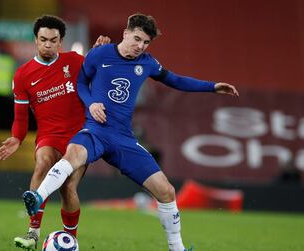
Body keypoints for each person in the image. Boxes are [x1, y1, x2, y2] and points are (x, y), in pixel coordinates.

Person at [22, 13, 239, 251]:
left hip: (123, 138)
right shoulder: (99, 54)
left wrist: (212, 87)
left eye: (146, 42)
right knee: (73, 153)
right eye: (137, 39)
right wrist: (91, 104)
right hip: (95, 130)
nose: (140, 46)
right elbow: (81, 83)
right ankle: (38, 197)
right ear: (125, 33)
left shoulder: (147, 63)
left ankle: (177, 248)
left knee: (166, 191)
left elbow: (176, 80)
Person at [0, 15, 110, 250]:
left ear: (61, 41)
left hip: (79, 137)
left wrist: (97, 53)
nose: (48, 45)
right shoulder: (22, 75)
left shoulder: (76, 61)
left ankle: (70, 239)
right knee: (42, 163)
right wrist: (17, 137)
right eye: (43, 39)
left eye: (53, 40)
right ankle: (33, 234)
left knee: (68, 187)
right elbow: (21, 116)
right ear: (36, 40)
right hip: (48, 135)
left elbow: (97, 70)